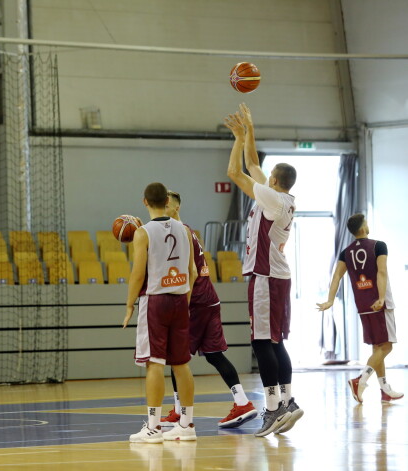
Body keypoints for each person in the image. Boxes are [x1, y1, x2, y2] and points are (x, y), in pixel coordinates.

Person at [224, 103, 303, 437]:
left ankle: (272, 409)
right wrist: (250, 131)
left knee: (261, 343)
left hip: (265, 276)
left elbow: (236, 173)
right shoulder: (280, 197)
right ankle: (288, 401)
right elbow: (254, 164)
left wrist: (238, 139)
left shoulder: (271, 199)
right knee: (276, 341)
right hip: (278, 277)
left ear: (273, 181)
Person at [161, 190, 257, 428]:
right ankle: (242, 402)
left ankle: (177, 411)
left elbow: (190, 273)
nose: (163, 209)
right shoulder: (187, 231)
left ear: (176, 208)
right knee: (215, 355)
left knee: (177, 358)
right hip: (210, 300)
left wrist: (183, 305)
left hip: (197, 303)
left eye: (167, 205)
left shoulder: (179, 232)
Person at [124, 182, 198, 443]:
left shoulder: (142, 233)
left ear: (145, 202)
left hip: (155, 301)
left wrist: (129, 303)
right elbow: (192, 271)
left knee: (154, 363)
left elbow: (137, 273)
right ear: (167, 201)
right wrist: (185, 299)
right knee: (181, 364)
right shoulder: (184, 229)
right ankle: (187, 425)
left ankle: (154, 428)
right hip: (180, 300)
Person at [317, 213, 403, 403]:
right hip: (380, 303)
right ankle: (360, 381)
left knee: (377, 347)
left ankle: (385, 390)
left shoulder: (346, 252)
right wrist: (381, 297)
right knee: (386, 346)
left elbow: (336, 277)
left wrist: (330, 300)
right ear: (363, 228)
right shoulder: (378, 246)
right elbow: (382, 271)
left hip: (363, 304)